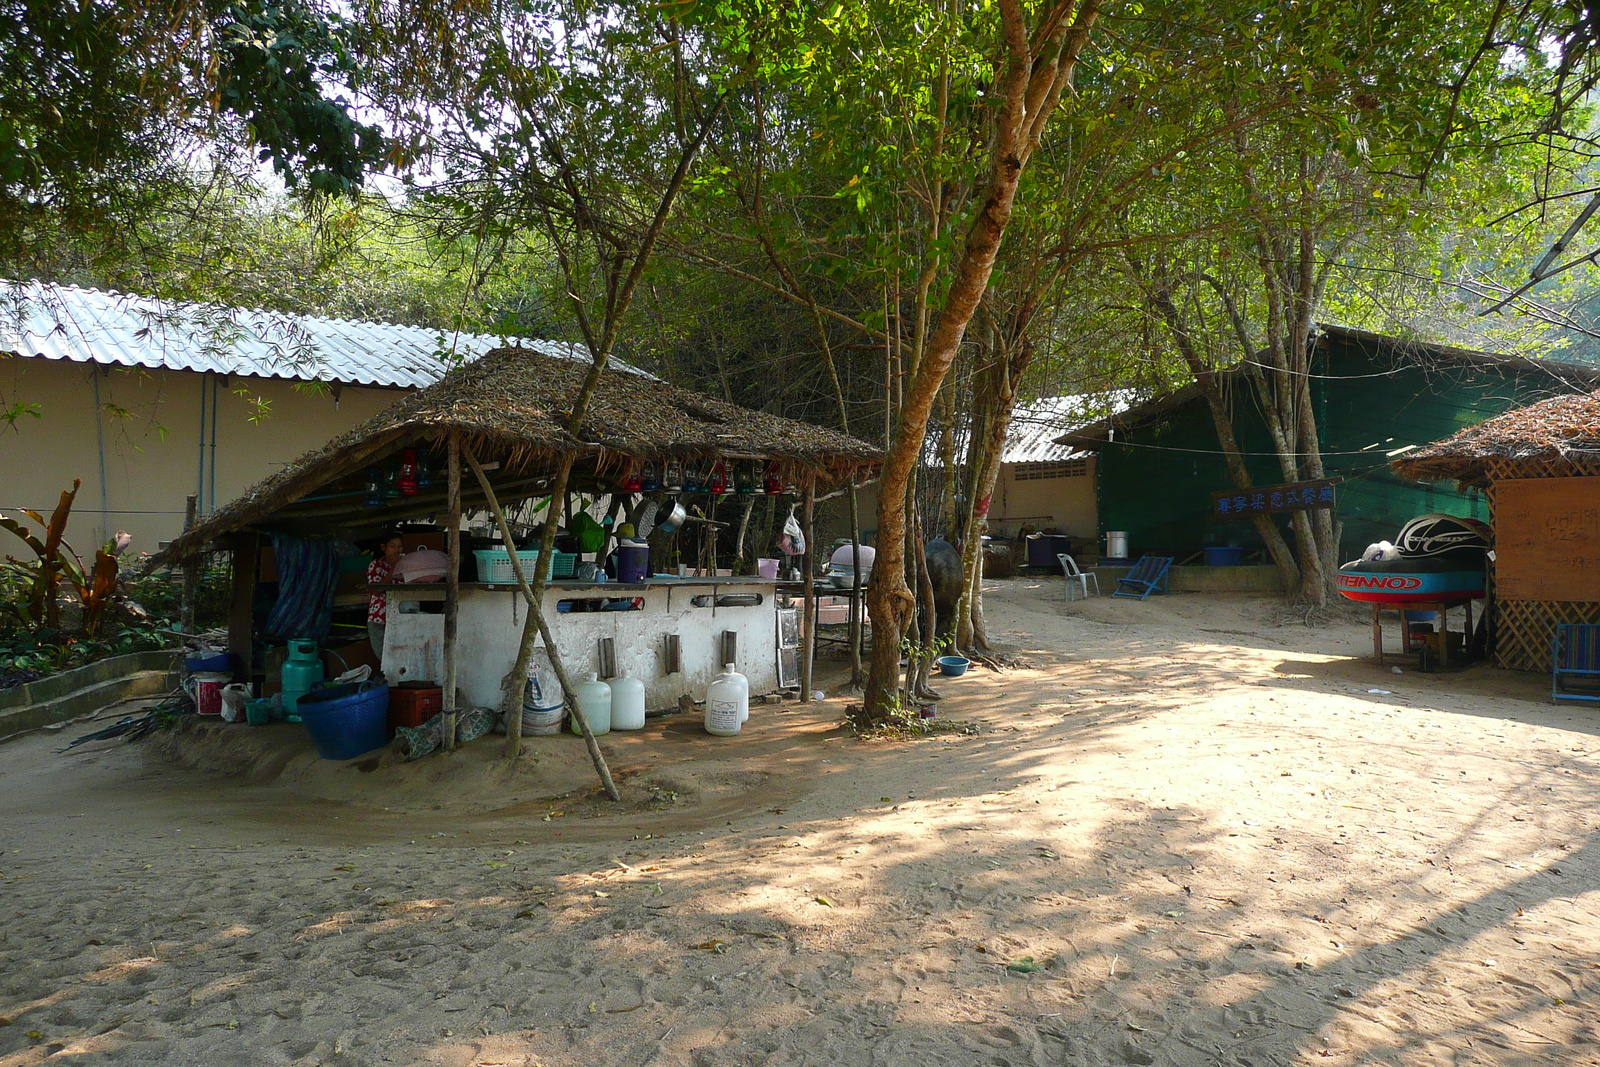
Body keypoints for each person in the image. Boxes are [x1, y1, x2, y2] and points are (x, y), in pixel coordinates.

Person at [367, 532, 404, 656]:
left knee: (400, 656)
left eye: (399, 546)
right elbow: (377, 590)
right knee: (383, 657)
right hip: (379, 618)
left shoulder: (407, 566)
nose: (396, 550)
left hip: (401, 618)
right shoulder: (376, 565)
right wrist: (394, 568)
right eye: (392, 546)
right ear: (384, 547)